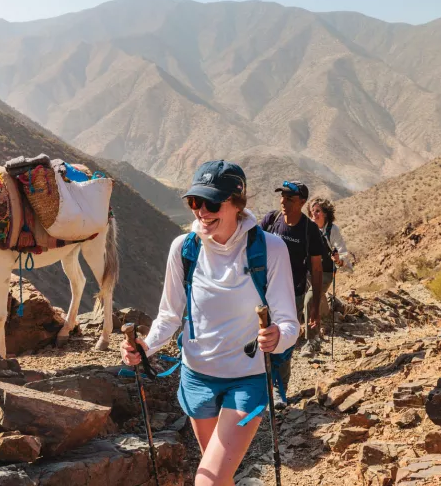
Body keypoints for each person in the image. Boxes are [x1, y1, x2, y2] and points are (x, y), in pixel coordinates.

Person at [120, 160, 299, 486]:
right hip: (196, 379)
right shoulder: (184, 248)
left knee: (208, 479)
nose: (201, 211)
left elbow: (289, 323)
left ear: (237, 204)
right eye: (194, 202)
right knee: (219, 477)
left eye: (212, 203)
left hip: (248, 383)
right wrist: (145, 346)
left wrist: (278, 338)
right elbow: (170, 315)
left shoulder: (269, 250)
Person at [260, 181, 324, 369]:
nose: (283, 202)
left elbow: (317, 269)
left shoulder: (309, 230)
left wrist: (315, 307)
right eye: (282, 197)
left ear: (302, 202)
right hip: (264, 290)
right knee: (261, 337)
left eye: (289, 199)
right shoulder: (272, 219)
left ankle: (280, 387)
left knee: (283, 340)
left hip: (292, 294)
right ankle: (263, 381)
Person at [306, 198, 353, 330]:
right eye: (312, 211)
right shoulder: (308, 227)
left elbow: (343, 252)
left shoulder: (332, 230)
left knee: (311, 298)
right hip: (308, 271)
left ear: (325, 213)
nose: (314, 215)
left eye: (317, 211)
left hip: (325, 272)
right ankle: (329, 311)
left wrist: (338, 259)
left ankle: (312, 336)